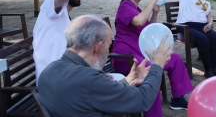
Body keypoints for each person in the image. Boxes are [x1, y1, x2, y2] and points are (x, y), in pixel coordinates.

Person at [38, 15, 173, 117]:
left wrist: (128, 81)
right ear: (98, 47)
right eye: (109, 46)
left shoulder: (49, 70)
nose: (109, 52)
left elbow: (88, 97)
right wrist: (157, 65)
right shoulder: (89, 79)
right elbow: (143, 100)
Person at [112, 0, 193, 116]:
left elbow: (148, 29)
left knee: (174, 58)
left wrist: (155, 11)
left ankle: (178, 99)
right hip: (127, 57)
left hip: (140, 53)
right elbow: (138, 22)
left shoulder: (137, 9)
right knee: (151, 73)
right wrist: (152, 0)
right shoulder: (125, 6)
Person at [33, 0, 117, 84]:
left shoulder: (63, 15)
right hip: (53, 83)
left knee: (113, 84)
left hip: (63, 78)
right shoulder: (50, 6)